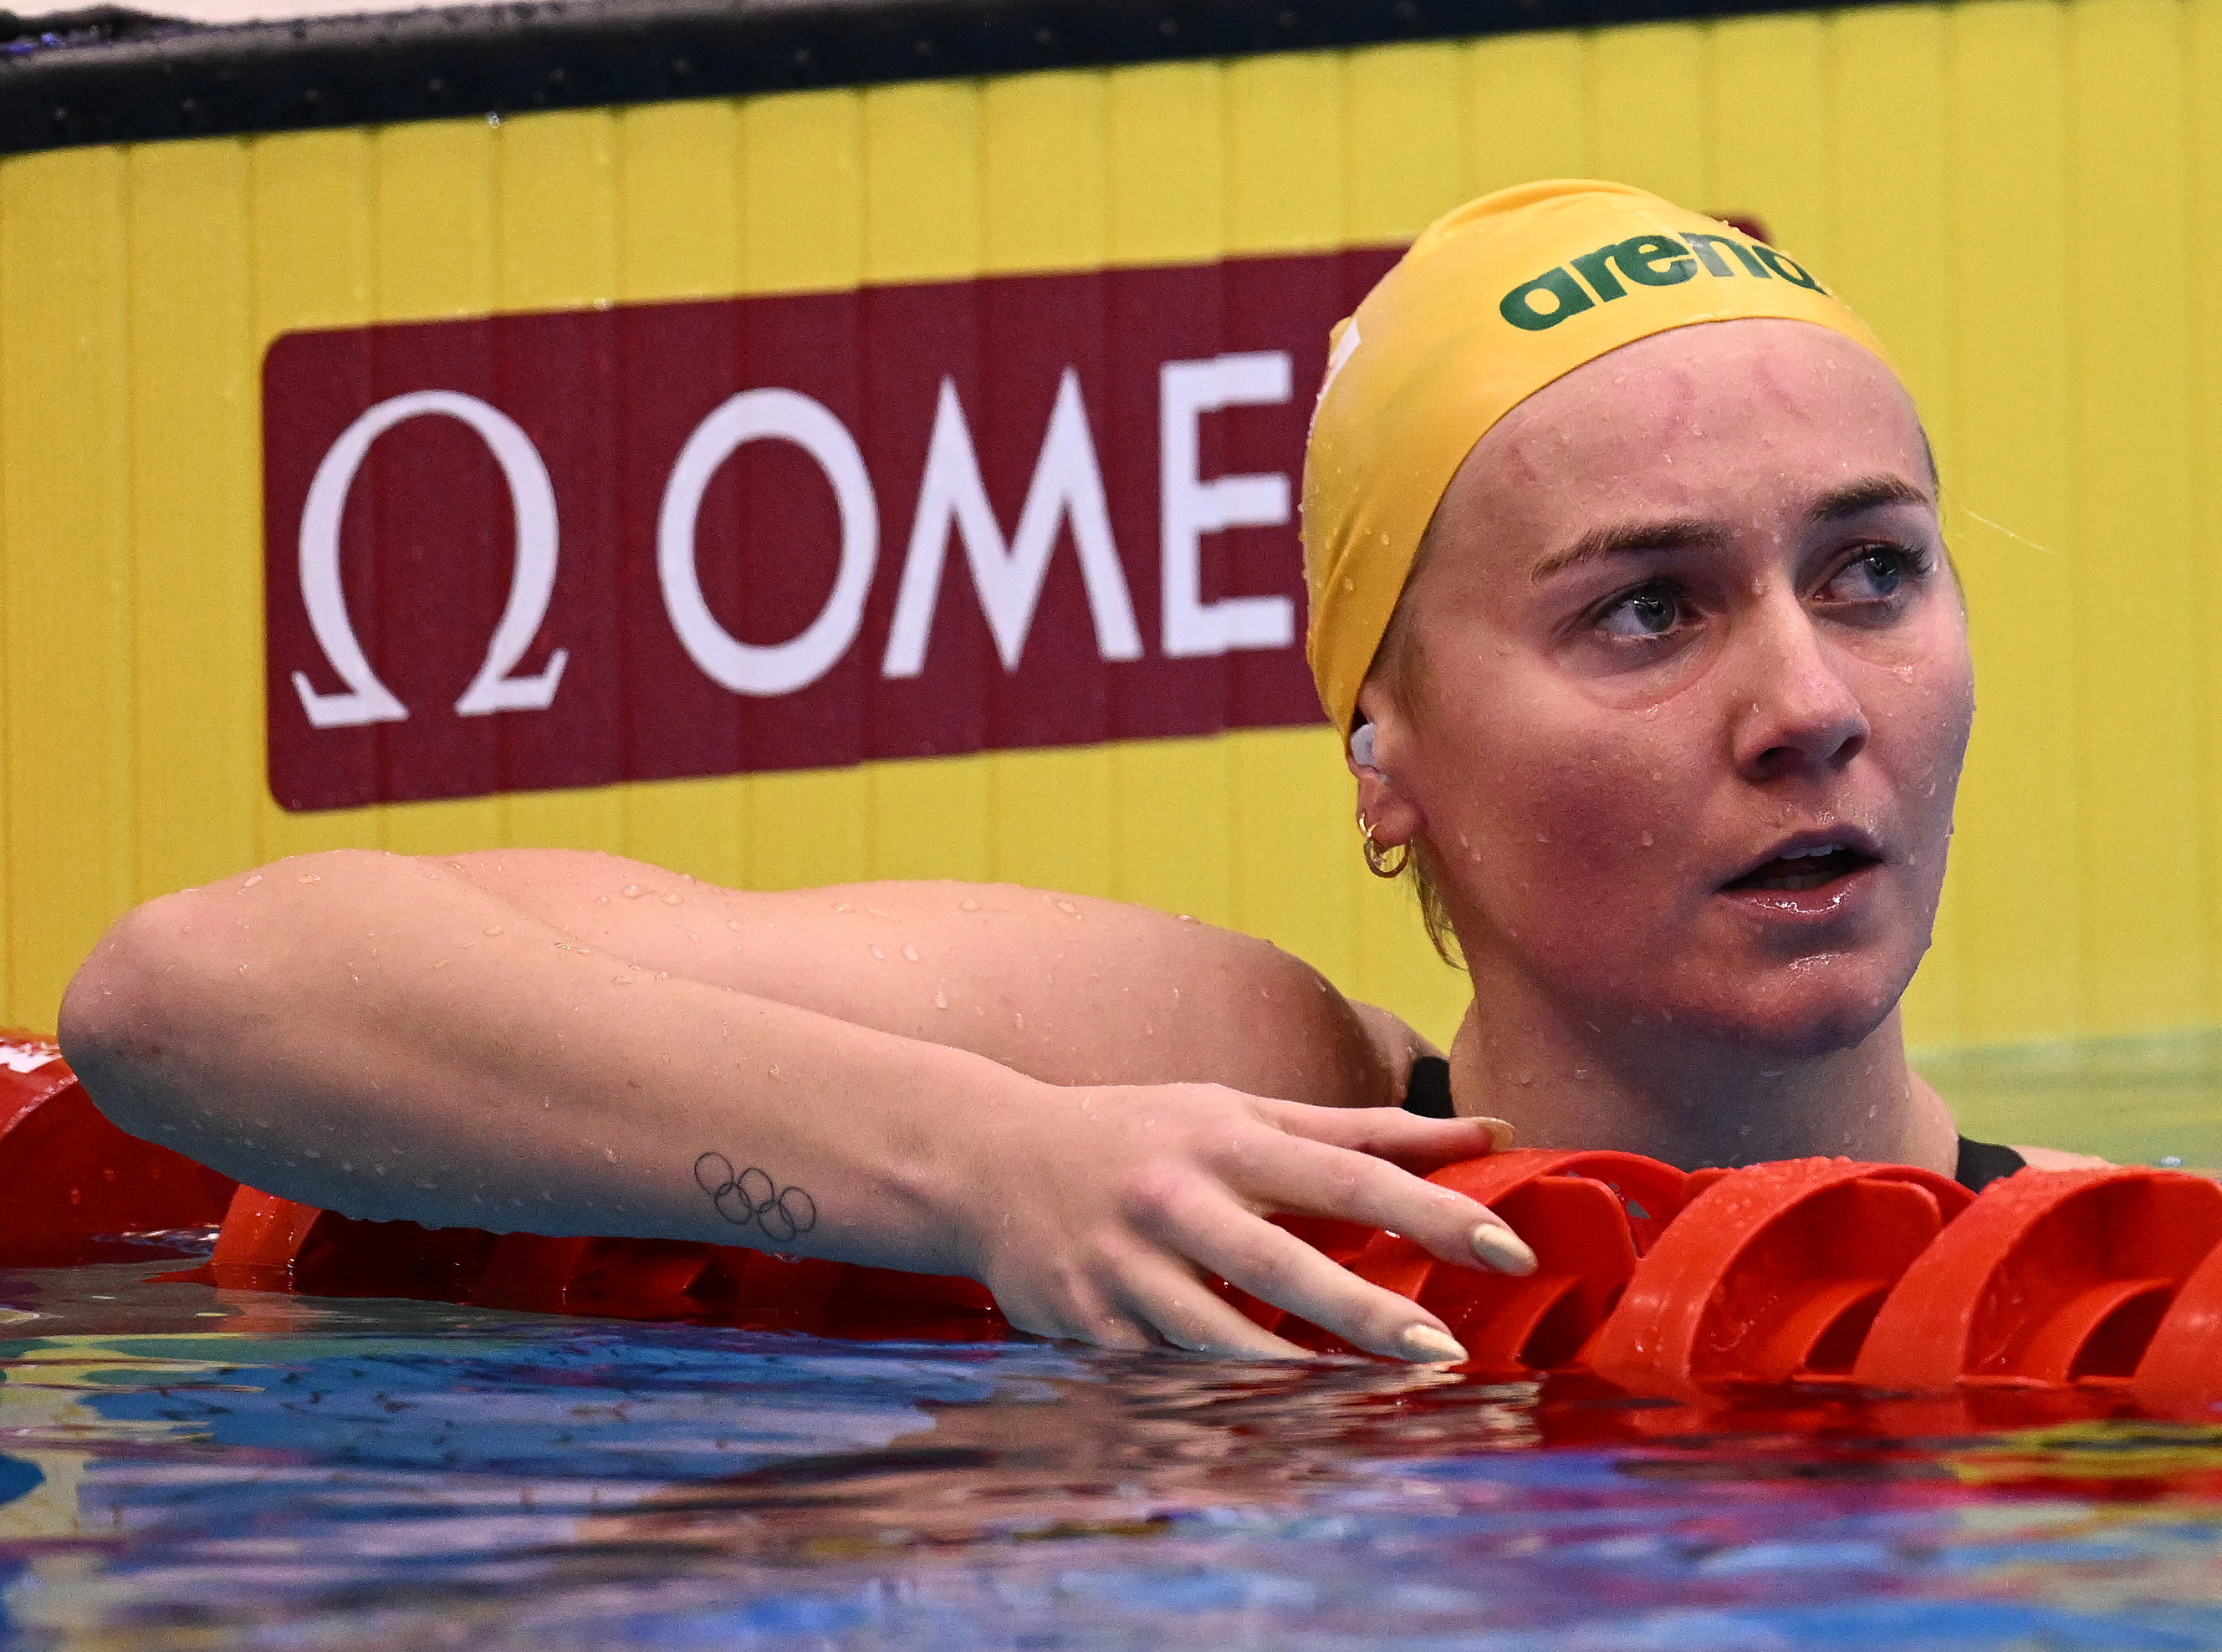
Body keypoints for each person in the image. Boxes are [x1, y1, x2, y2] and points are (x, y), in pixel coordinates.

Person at [59, 181, 2086, 1367]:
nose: (1806, 699)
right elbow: (192, 993)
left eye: (1871, 571)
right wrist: (979, 1167)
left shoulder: (2131, 1283)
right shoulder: (1205, 1080)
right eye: (1644, 611)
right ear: (1384, 753)